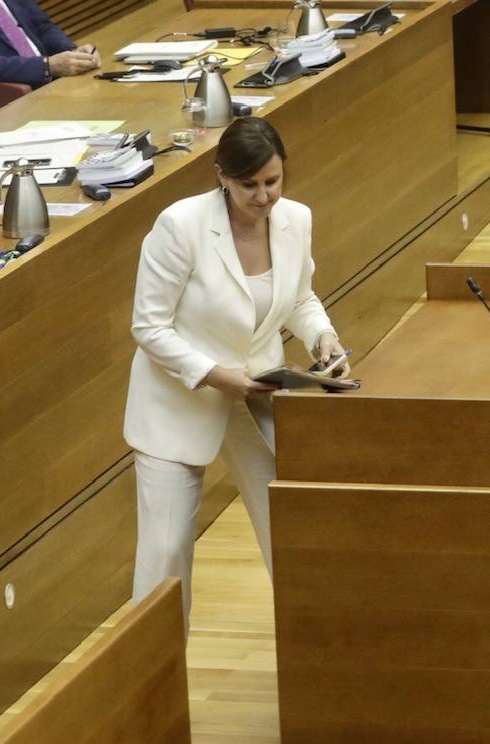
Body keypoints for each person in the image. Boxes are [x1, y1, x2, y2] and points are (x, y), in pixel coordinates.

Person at [124, 117, 349, 627]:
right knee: (167, 555)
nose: (264, 196)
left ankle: (313, 660)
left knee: (289, 530)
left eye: (273, 181)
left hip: (256, 392)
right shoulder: (179, 226)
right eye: (249, 185)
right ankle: (155, 694)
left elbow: (300, 296)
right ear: (221, 175)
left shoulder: (297, 218)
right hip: (179, 401)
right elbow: (149, 327)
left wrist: (323, 337)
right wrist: (212, 374)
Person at [0, 0, 99, 85]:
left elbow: (42, 27)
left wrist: (72, 52)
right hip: (11, 95)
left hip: (55, 81)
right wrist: (44, 67)